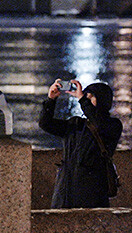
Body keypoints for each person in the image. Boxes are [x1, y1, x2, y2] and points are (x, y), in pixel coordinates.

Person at [39, 79, 123, 208]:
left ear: (102, 100)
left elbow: (99, 124)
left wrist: (82, 99)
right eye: (86, 96)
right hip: (65, 189)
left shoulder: (113, 125)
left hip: (92, 191)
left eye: (91, 96)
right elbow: (46, 124)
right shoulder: (76, 123)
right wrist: (51, 100)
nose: (87, 99)